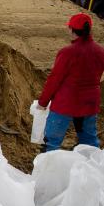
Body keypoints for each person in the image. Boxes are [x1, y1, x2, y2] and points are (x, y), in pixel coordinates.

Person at [37, 13, 104, 151]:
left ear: (72, 30)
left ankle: (48, 169)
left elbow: (54, 79)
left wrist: (43, 102)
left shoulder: (67, 52)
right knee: (90, 141)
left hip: (66, 102)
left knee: (52, 141)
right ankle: (93, 167)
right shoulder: (100, 51)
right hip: (90, 103)